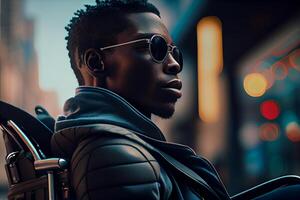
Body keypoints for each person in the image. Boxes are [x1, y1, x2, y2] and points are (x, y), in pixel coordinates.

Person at [51, 0, 299, 199]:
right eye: (155, 47)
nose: (173, 64)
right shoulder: (115, 156)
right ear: (96, 63)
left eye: (174, 52)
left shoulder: (122, 146)